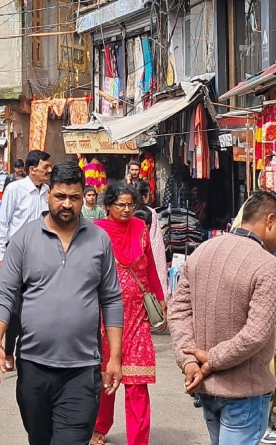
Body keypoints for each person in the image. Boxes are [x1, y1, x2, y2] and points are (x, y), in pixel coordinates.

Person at [0, 161, 125, 445]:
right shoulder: (24, 239)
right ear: (48, 194)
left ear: (85, 197)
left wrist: (115, 358)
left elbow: (111, 299)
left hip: (83, 369)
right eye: (60, 196)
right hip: (34, 367)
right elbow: (3, 294)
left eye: (74, 198)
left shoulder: (99, 240)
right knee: (40, 440)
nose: (67, 204)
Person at [168, 190, 276, 445]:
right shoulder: (267, 265)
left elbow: (178, 310)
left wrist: (190, 361)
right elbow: (256, 334)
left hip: (207, 387)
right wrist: (208, 361)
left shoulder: (202, 251)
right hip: (243, 390)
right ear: (269, 221)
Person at [91, 184, 165, 445]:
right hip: (104, 314)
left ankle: (138, 440)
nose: (125, 209)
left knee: (137, 383)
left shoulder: (140, 228)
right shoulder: (97, 231)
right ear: (108, 205)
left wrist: (159, 298)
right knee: (106, 378)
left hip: (137, 315)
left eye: (130, 204)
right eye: (120, 204)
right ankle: (98, 428)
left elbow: (151, 268)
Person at [0, 150, 52, 274]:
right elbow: (3, 223)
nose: (50, 170)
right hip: (18, 253)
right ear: (32, 169)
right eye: (45, 167)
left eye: (50, 166)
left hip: (43, 253)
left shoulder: (48, 191)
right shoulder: (14, 189)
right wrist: (0, 257)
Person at [136, 180, 168, 297]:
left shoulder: (127, 212)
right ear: (144, 196)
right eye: (149, 195)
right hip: (148, 254)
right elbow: (156, 241)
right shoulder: (151, 213)